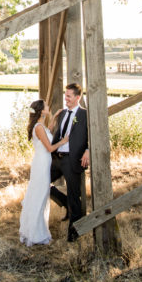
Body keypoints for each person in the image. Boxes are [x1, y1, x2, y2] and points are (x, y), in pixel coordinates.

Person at [18, 98, 69, 246]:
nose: (49, 106)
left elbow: (49, 131)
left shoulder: (40, 126)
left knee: (41, 194)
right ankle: (35, 234)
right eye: (47, 106)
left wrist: (53, 118)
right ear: (41, 111)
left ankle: (36, 230)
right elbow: (50, 148)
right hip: (41, 164)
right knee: (40, 197)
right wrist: (64, 141)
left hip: (43, 162)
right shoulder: (39, 127)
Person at [50, 83, 89, 242]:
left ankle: (74, 234)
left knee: (74, 197)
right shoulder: (62, 113)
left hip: (72, 160)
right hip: (57, 159)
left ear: (77, 97)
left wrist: (88, 150)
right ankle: (64, 202)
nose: (65, 99)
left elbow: (93, 135)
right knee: (41, 184)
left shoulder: (85, 114)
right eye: (65, 95)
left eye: (69, 96)